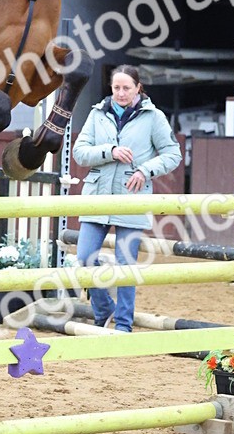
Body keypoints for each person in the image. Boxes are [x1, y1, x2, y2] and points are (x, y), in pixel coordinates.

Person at [72, 65, 182, 333]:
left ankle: (123, 324)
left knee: (125, 265)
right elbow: (79, 152)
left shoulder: (154, 117)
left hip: (132, 197)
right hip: (97, 196)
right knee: (85, 258)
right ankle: (104, 311)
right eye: (116, 88)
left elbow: (173, 154)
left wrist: (146, 170)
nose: (121, 93)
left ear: (138, 88)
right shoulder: (96, 114)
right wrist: (109, 151)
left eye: (126, 88)